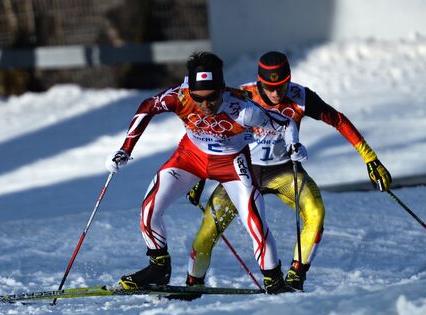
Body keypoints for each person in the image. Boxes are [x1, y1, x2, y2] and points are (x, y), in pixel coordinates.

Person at [105, 52, 308, 294]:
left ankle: (274, 280)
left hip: (231, 163)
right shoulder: (180, 97)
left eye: (212, 98)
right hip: (190, 157)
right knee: (149, 208)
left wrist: (294, 144)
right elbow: (147, 107)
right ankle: (158, 268)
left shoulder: (242, 108)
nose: (205, 105)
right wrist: (125, 150)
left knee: (254, 220)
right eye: (197, 98)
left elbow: (285, 124)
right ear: (189, 88)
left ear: (222, 89)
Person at [187, 51, 392, 291]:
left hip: (284, 171)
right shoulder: (241, 95)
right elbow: (205, 128)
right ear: (259, 81)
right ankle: (193, 284)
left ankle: (295, 277)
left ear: (289, 79)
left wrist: (370, 158)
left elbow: (338, 120)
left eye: (281, 86)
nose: (276, 93)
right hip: (240, 171)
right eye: (269, 87)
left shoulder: (300, 96)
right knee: (207, 230)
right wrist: (198, 174)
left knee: (315, 213)